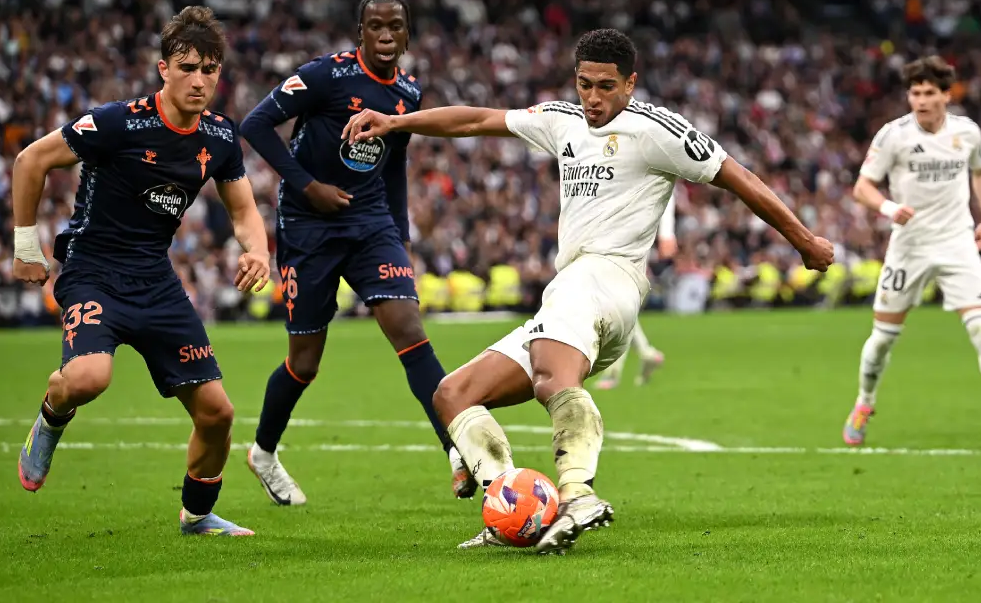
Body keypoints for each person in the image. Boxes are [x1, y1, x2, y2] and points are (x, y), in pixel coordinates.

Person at [343, 28, 834, 554]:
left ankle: (578, 494)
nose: (593, 98)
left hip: (610, 278)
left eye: (606, 86)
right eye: (584, 85)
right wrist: (397, 122)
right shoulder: (563, 120)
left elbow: (738, 177)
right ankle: (509, 505)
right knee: (453, 394)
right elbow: (478, 119)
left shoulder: (659, 130)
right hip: (571, 288)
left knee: (551, 380)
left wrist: (804, 241)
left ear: (630, 83)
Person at [12, 6, 270, 537]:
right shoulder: (117, 122)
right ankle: (51, 416)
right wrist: (25, 247)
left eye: (210, 69)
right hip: (93, 272)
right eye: (188, 66)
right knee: (88, 378)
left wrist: (258, 251)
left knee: (218, 414)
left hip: (155, 281)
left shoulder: (220, 138)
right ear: (163, 69)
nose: (199, 80)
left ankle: (197, 515)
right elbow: (29, 162)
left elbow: (244, 211)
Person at [239, 0, 471, 506]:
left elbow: (393, 168)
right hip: (307, 227)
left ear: (408, 34)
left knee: (409, 331)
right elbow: (255, 125)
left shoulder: (407, 95)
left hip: (370, 226)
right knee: (305, 362)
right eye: (375, 27)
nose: (385, 36)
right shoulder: (325, 75)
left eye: (395, 27)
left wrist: (401, 238)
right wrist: (308, 187)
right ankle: (263, 453)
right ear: (359, 32)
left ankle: (455, 449)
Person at [843, 56, 981, 449]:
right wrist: (888, 208)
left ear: (946, 95)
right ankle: (864, 403)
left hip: (957, 242)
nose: (921, 100)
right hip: (909, 246)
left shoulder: (967, 133)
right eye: (915, 93)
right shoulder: (892, 135)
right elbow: (862, 187)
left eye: (930, 93)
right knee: (882, 339)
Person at [593, 194, 675, 390]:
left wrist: (667, 234)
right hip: (631, 266)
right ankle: (647, 353)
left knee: (618, 315)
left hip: (627, 267)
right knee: (624, 316)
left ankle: (614, 373)